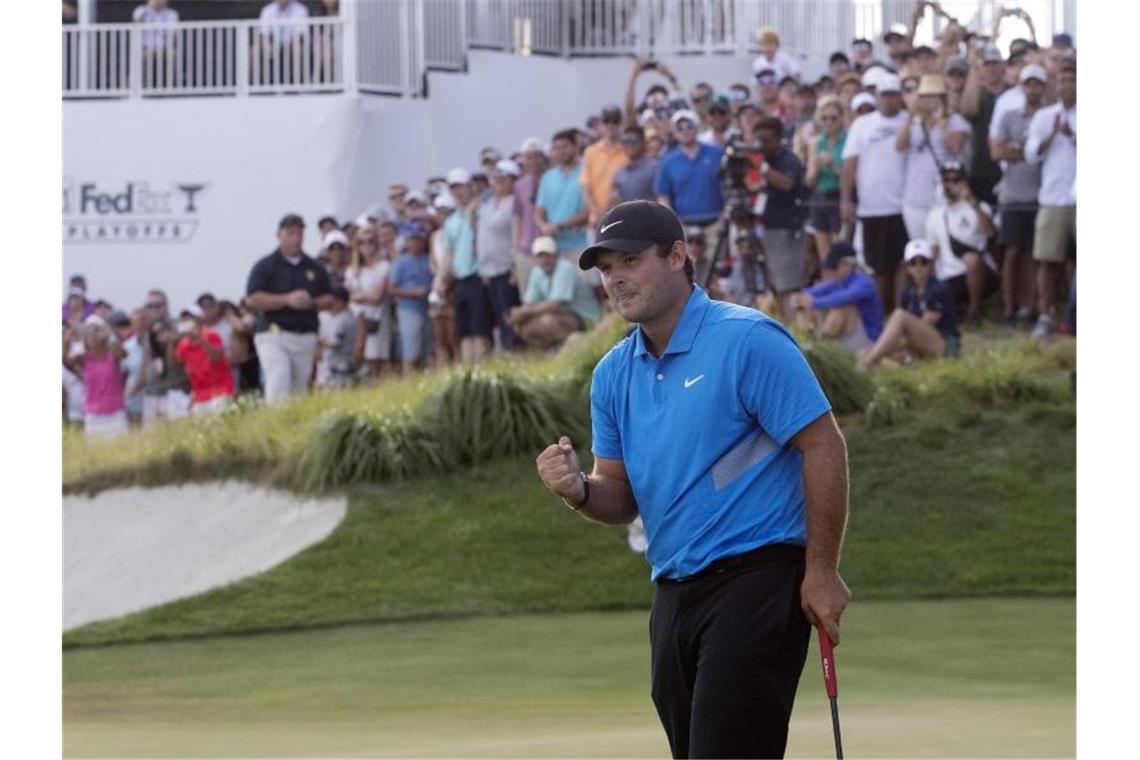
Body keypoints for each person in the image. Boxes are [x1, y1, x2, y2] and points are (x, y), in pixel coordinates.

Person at [536, 200, 851, 759]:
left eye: (630, 260)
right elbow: (620, 496)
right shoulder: (612, 375)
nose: (616, 278)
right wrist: (578, 490)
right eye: (606, 268)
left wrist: (821, 570)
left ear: (678, 255)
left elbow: (823, 444)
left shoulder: (747, 339)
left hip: (758, 579)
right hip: (675, 592)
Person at [245, 213, 334, 404]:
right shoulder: (266, 266)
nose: (296, 238)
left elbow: (330, 297)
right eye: (291, 233)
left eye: (299, 233)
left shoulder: (314, 267)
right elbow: (253, 299)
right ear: (279, 235)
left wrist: (311, 303)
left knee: (299, 388)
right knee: (279, 376)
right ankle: (274, 424)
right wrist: (286, 300)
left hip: (304, 334)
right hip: (274, 333)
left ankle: (292, 427)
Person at [841, 72, 910, 312]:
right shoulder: (862, 124)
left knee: (903, 264)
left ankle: (900, 312)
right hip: (872, 206)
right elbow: (850, 164)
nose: (889, 100)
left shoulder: (909, 120)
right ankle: (879, 317)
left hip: (904, 205)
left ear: (900, 97)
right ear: (877, 96)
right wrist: (846, 199)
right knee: (878, 267)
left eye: (894, 95)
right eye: (885, 95)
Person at [991, 64, 1047, 328]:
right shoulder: (1009, 116)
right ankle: (1008, 310)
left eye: (1037, 84)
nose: (1033, 89)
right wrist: (1031, 152)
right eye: (1029, 84)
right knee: (1011, 254)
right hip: (1012, 196)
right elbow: (998, 151)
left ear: (1044, 88)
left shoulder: (1049, 117)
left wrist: (1020, 151)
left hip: (1040, 196)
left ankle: (1031, 308)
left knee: (1034, 257)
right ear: (1023, 87)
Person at [1025, 62, 1076, 339]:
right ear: (1056, 84)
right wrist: (1053, 135)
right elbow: (1031, 155)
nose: (1068, 84)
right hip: (1052, 198)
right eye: (1064, 78)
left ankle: (1075, 318)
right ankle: (1045, 315)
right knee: (1047, 260)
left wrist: (1073, 136)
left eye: (1073, 79)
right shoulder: (1044, 117)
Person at [858, 239, 960, 370]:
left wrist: (882, 346)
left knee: (899, 318)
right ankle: (901, 361)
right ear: (907, 267)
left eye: (923, 262)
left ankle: (868, 361)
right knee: (886, 344)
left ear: (930, 265)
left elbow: (925, 324)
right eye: (913, 263)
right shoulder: (908, 291)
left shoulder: (939, 288)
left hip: (943, 344)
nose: (919, 267)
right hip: (919, 342)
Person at [895, 74, 970, 242]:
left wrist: (942, 122)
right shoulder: (913, 123)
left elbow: (956, 147)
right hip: (914, 197)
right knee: (920, 247)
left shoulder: (956, 121)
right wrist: (911, 115)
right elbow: (899, 147)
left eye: (933, 96)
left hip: (943, 196)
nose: (929, 101)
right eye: (925, 96)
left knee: (943, 246)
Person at [655, 109, 725, 283]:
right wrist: (671, 224)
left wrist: (725, 216)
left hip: (716, 223)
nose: (685, 131)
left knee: (719, 271)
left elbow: (728, 184)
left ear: (697, 127)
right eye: (680, 128)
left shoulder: (716, 153)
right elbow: (663, 196)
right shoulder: (668, 160)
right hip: (685, 225)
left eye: (689, 126)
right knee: (690, 271)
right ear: (675, 131)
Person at [924, 162, 997, 323]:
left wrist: (972, 201)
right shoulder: (934, 214)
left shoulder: (978, 207)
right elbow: (933, 252)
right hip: (949, 276)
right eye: (946, 180)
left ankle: (974, 310)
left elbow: (990, 233)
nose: (951, 185)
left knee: (972, 259)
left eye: (956, 180)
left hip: (980, 272)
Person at [753, 116, 807, 317]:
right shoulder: (762, 158)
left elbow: (788, 184)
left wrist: (764, 169)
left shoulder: (788, 159)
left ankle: (792, 330)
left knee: (786, 284)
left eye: (765, 139)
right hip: (765, 226)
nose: (761, 145)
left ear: (777, 138)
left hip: (786, 227)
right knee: (772, 283)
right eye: (758, 140)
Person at [507, 236, 601, 350]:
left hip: (586, 318)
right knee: (523, 325)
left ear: (556, 255)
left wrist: (524, 311)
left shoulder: (564, 267)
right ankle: (551, 354)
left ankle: (571, 347)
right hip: (565, 315)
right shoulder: (537, 272)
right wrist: (520, 314)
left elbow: (556, 305)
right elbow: (530, 302)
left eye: (547, 255)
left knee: (547, 321)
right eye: (540, 256)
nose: (544, 259)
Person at [793, 242, 885, 354]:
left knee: (842, 307)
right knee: (804, 304)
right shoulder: (838, 281)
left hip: (869, 341)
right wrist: (798, 298)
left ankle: (819, 344)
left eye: (833, 266)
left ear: (847, 265)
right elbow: (812, 292)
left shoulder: (864, 282)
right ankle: (805, 340)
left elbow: (845, 297)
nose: (829, 271)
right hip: (848, 338)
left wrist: (813, 302)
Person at [442, 169, 495, 364]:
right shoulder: (451, 220)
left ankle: (482, 368)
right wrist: (440, 280)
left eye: (461, 187)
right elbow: (449, 252)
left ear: (470, 187)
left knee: (480, 328)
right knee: (464, 331)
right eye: (454, 188)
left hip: (479, 276)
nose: (458, 192)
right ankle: (468, 373)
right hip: (460, 280)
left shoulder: (482, 210)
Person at [477, 160, 523, 351]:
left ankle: (514, 349)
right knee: (497, 312)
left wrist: (514, 265)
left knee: (509, 312)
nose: (499, 182)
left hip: (506, 266)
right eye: (496, 178)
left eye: (504, 178)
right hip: (489, 268)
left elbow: (516, 234)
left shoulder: (513, 203)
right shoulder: (486, 205)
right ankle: (505, 348)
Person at [345, 219, 394, 378]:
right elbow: (349, 297)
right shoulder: (351, 271)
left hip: (378, 319)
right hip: (358, 319)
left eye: (370, 242)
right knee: (359, 358)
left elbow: (376, 296)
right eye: (361, 242)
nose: (366, 246)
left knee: (377, 361)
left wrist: (359, 296)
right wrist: (364, 296)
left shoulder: (384, 266)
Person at [536, 129, 590, 261]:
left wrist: (559, 226)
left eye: (565, 147)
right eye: (557, 148)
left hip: (581, 245)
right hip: (554, 249)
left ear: (575, 147)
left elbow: (588, 210)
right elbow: (539, 210)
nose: (561, 151)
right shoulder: (548, 177)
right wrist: (543, 226)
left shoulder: (586, 172)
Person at [805, 96, 847, 262]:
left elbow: (850, 174)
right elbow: (809, 181)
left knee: (838, 251)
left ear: (841, 118)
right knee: (824, 253)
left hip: (838, 196)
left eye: (833, 118)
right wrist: (814, 165)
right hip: (820, 197)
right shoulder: (816, 143)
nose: (829, 122)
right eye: (824, 118)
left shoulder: (848, 139)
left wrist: (832, 165)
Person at [173, 307, 235, 415]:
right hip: (200, 395)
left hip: (221, 390)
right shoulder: (183, 343)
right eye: (184, 319)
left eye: (189, 318)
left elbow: (217, 357)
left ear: (198, 319)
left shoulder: (211, 335)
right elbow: (179, 362)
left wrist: (201, 340)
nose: (186, 322)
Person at [390, 223, 434, 372]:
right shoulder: (400, 262)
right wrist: (413, 292)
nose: (415, 243)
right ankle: (408, 376)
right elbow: (392, 288)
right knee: (411, 349)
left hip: (428, 308)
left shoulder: (428, 259)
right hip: (408, 308)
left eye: (419, 239)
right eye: (412, 239)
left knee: (427, 348)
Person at [80, 315, 129, 439]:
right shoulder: (83, 359)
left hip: (116, 416)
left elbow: (123, 353)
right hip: (92, 418)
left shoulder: (112, 355)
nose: (93, 335)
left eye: (96, 331)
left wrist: (109, 337)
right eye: (89, 332)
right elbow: (65, 359)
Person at [580, 105, 629, 230]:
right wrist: (596, 212)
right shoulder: (591, 152)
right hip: (597, 221)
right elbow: (586, 187)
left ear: (621, 123)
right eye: (607, 121)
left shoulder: (628, 151)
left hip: (624, 219)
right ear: (601, 124)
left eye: (615, 121)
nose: (611, 125)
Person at [315, 286, 357, 388]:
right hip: (327, 368)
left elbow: (334, 345)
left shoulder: (344, 319)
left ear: (340, 302)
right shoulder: (325, 315)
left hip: (338, 370)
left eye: (332, 301)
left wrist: (317, 341)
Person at [611, 126, 659, 205]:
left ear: (643, 143)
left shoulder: (654, 168)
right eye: (625, 142)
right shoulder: (619, 173)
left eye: (633, 141)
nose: (629, 145)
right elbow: (615, 202)